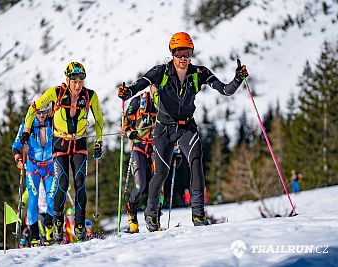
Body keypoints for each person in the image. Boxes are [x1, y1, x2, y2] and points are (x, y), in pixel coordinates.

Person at [117, 32, 248, 231]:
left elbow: (225, 90)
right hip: (162, 129)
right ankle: (151, 216)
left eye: (187, 53)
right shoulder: (160, 72)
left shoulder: (199, 73)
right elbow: (138, 86)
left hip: (186, 126)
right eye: (179, 53)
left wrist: (237, 79)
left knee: (196, 162)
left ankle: (198, 215)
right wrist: (127, 92)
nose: (183, 57)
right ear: (172, 54)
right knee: (161, 173)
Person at [20, 62, 104, 242]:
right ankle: (58, 222)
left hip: (79, 142)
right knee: (63, 182)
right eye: (74, 80)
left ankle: (79, 225)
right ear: (67, 79)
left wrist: (98, 142)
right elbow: (33, 108)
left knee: (80, 182)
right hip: (60, 144)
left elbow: (98, 120)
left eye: (81, 80)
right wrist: (27, 130)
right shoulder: (55, 93)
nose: (77, 85)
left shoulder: (90, 96)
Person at [12, 102, 55, 246]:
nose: (41, 115)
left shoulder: (52, 121)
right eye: (38, 112)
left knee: (51, 198)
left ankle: (49, 229)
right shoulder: (27, 123)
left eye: (44, 112)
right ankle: (34, 235)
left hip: (50, 165)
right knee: (33, 199)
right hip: (33, 166)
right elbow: (16, 145)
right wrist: (18, 158)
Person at [123, 84, 158, 233]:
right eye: (156, 86)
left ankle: (154, 217)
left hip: (156, 147)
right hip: (139, 147)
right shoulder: (138, 101)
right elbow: (125, 122)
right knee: (140, 185)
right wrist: (129, 131)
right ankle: (132, 214)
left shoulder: (166, 103)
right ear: (151, 86)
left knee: (159, 185)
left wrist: (174, 149)